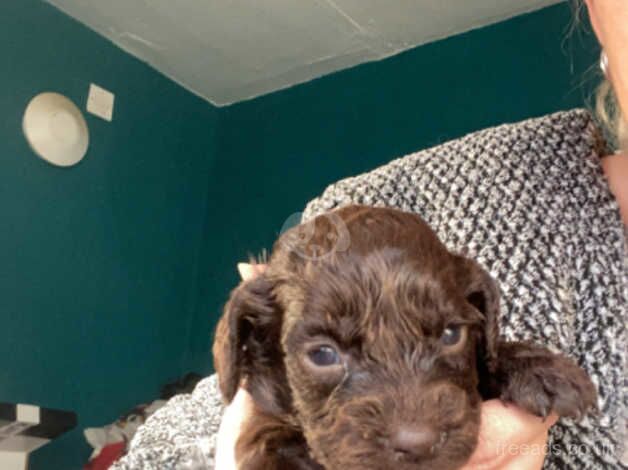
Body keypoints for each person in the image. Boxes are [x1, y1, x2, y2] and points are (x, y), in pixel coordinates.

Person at [112, 1, 627, 468]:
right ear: (598, 12)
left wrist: (500, 365)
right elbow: (158, 453)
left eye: (449, 334)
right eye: (323, 354)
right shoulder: (347, 225)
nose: (414, 431)